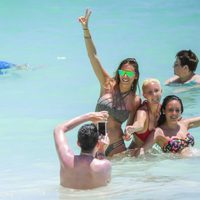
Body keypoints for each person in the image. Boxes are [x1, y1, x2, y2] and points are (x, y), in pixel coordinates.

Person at [78, 9, 141, 157]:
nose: (125, 76)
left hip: (115, 146)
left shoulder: (135, 99)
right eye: (122, 72)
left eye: (129, 73)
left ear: (135, 76)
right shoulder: (107, 83)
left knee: (117, 180)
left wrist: (128, 133)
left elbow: (129, 126)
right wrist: (86, 29)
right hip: (94, 143)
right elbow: (93, 56)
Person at [54, 111, 111, 189]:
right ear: (97, 144)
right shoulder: (105, 165)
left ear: (78, 143)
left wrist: (89, 116)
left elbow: (58, 129)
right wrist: (101, 150)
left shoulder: (66, 159)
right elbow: (106, 180)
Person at [123, 79, 162, 151]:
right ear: (145, 95)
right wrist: (133, 128)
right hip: (134, 157)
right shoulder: (142, 111)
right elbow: (139, 124)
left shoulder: (163, 110)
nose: (154, 94)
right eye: (150, 92)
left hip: (149, 157)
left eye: (156, 90)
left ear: (161, 91)